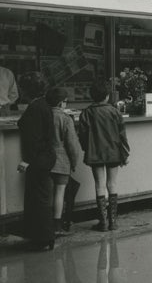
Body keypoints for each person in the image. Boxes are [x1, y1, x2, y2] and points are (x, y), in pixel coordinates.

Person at [78, 81, 130, 231]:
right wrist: (125, 153)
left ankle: (103, 222)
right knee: (112, 184)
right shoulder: (114, 112)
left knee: (99, 184)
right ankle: (113, 221)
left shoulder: (86, 113)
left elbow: (82, 136)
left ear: (92, 96)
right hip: (113, 152)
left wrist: (86, 149)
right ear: (107, 96)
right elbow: (122, 135)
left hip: (95, 153)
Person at [16, 71, 56, 250]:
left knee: (37, 198)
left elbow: (33, 139)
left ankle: (42, 237)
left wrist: (28, 161)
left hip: (37, 160)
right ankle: (45, 236)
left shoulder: (34, 109)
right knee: (42, 197)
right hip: (45, 158)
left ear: (26, 90)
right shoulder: (44, 105)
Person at [46, 87, 82, 236]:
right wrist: (74, 163)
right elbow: (72, 145)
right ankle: (57, 225)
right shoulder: (66, 119)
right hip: (61, 161)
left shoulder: (44, 115)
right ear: (61, 103)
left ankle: (46, 224)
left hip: (44, 159)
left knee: (47, 193)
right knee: (59, 193)